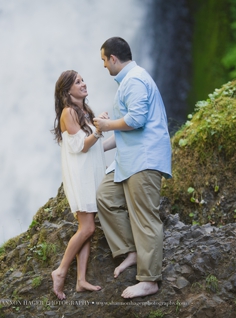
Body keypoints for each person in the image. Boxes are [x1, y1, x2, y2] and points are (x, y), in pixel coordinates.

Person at [92, 37, 172, 299]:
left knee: (145, 217)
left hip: (144, 159)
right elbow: (127, 129)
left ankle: (149, 280)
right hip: (128, 159)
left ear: (113, 58)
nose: (104, 66)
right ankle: (132, 251)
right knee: (105, 196)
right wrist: (96, 147)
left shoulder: (135, 79)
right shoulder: (127, 82)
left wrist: (107, 126)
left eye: (104, 60)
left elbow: (136, 120)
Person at [49, 70, 112, 300]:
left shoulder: (84, 111)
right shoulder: (68, 112)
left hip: (91, 174)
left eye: (83, 80)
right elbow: (81, 147)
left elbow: (93, 146)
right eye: (78, 82)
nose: (84, 84)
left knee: (87, 229)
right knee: (88, 228)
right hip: (81, 177)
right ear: (67, 91)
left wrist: (109, 131)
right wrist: (99, 130)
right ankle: (60, 271)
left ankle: (81, 280)